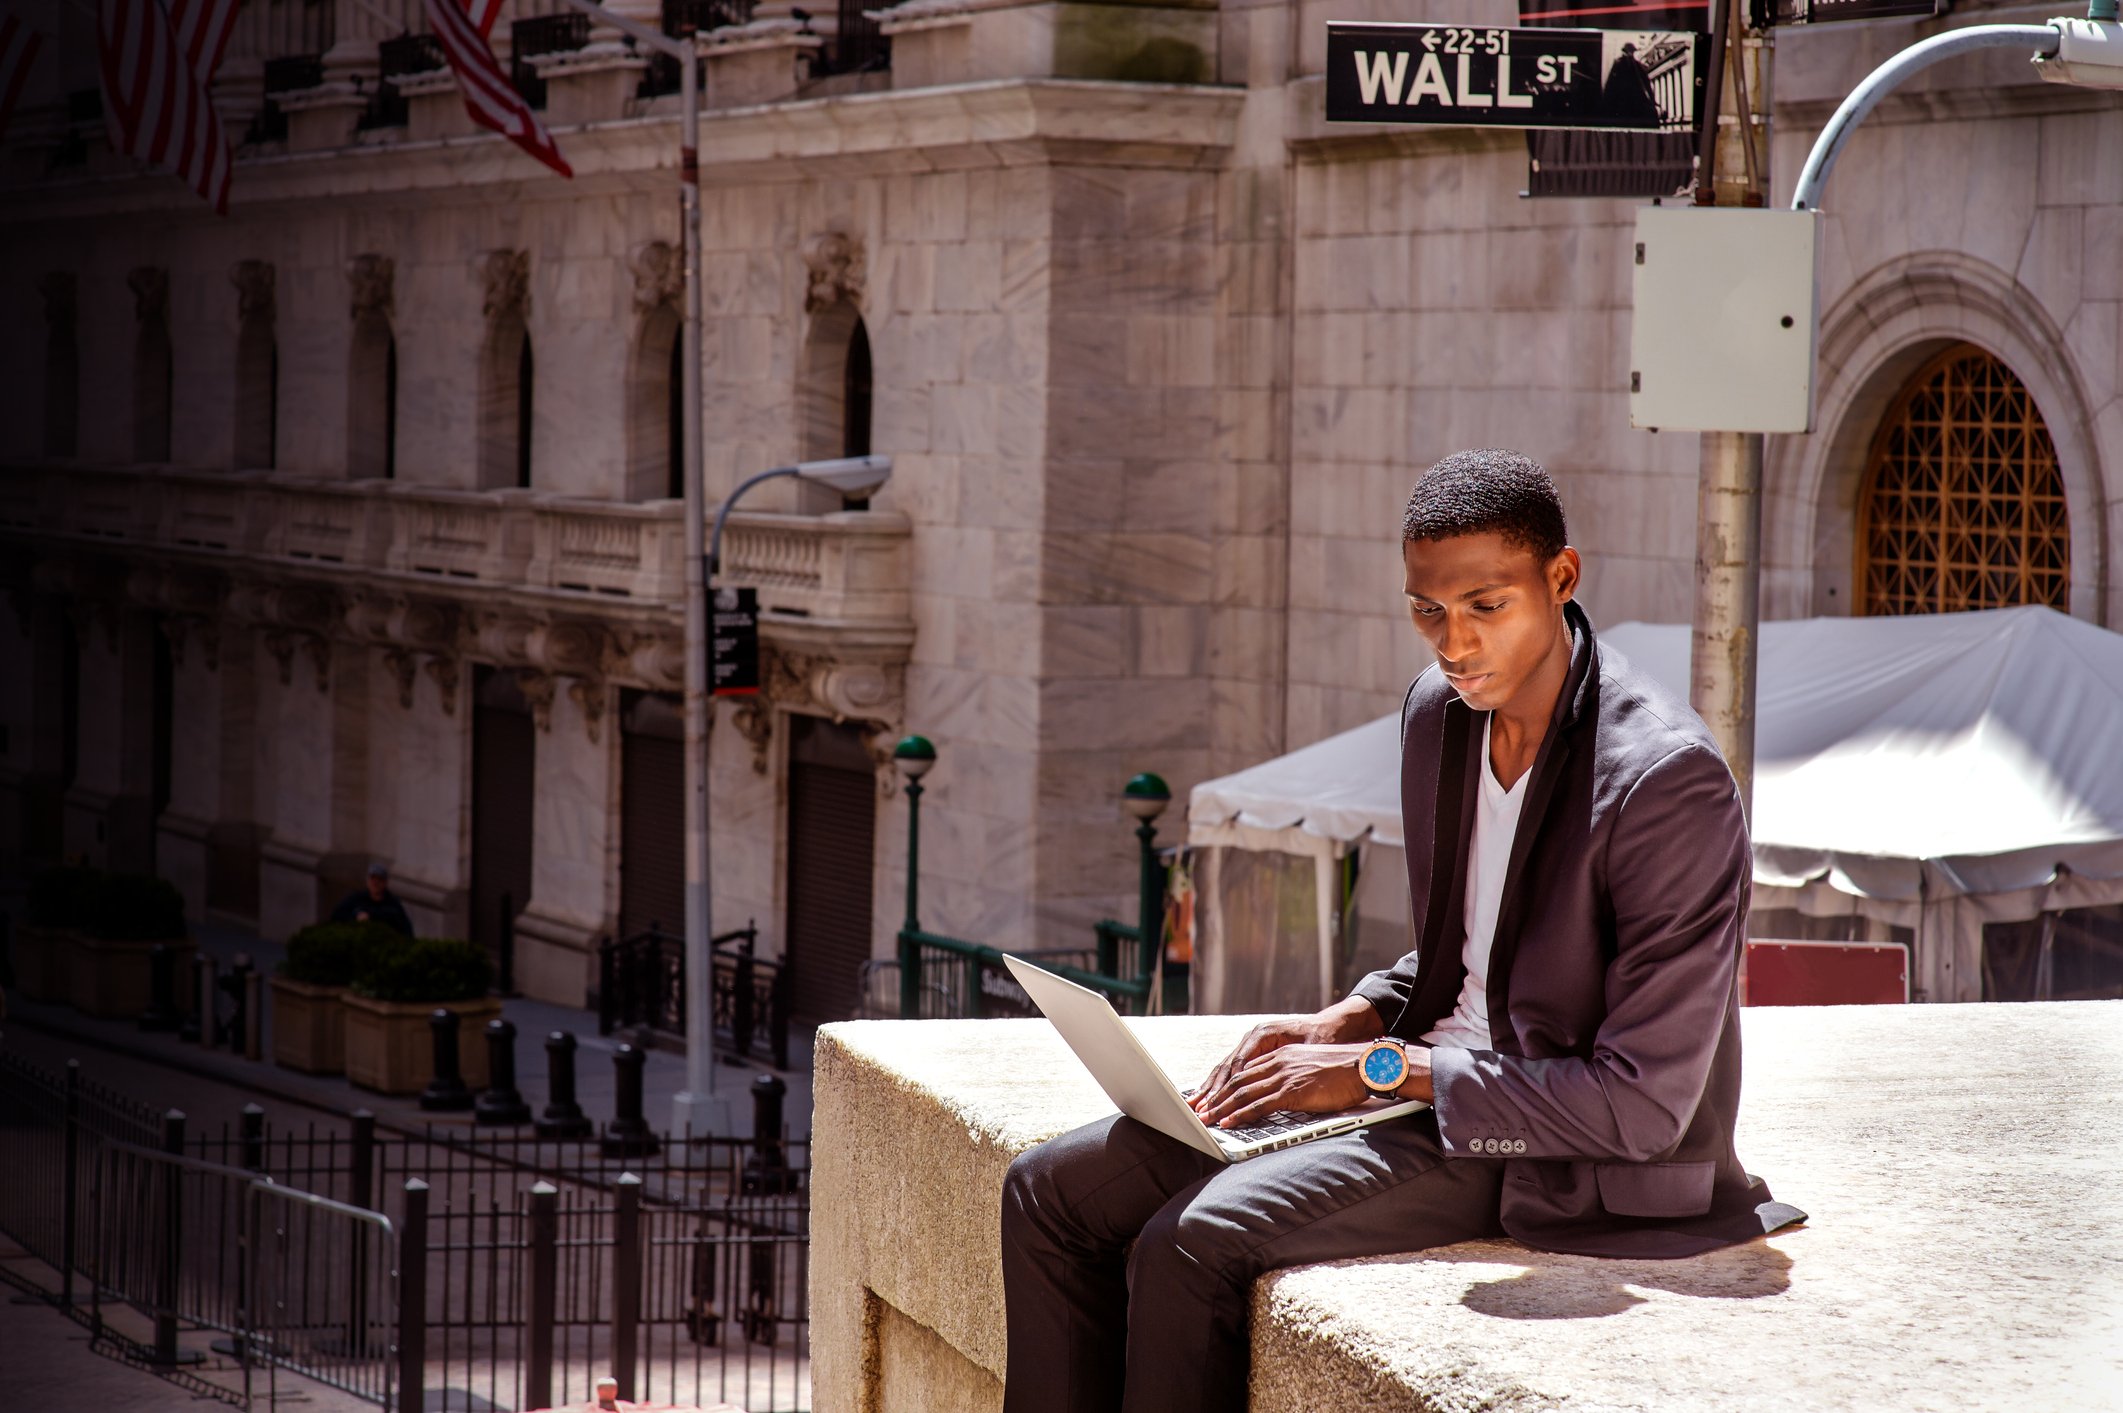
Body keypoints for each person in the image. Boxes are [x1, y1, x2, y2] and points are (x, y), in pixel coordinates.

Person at [998, 449, 1802, 1413]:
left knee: (1190, 1238)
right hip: (1413, 1083)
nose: (1452, 643)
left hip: (1547, 1150)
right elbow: (1475, 947)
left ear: (1561, 578)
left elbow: (1644, 1105)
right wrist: (1344, 1019)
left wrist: (1383, 1071)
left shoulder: (1664, 780)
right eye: (1427, 610)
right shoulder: (1440, 716)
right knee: (1046, 1191)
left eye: (1484, 606)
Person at [330, 862, 414, 937]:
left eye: (379, 879)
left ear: (385, 882)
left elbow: (403, 925)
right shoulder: (356, 898)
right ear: (367, 880)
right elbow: (337, 914)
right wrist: (356, 916)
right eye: (372, 878)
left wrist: (371, 916)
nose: (375, 883)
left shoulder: (393, 903)